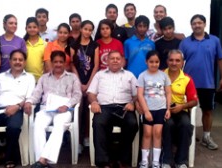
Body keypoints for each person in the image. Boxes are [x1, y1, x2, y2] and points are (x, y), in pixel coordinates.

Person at [25, 50, 82, 168]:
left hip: (64, 110)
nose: (58, 64)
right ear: (51, 62)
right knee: (38, 123)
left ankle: (41, 160)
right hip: (46, 109)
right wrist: (29, 101)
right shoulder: (44, 78)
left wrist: (67, 105)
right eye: (55, 62)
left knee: (59, 125)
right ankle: (43, 161)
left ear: (65, 63)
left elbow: (77, 95)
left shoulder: (72, 77)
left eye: (61, 62)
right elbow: (36, 94)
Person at [179, 14, 222, 150]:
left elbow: (221, 59)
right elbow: (179, 62)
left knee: (207, 111)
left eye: (199, 23)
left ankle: (206, 137)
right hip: (188, 83)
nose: (197, 25)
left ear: (204, 24)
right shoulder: (185, 42)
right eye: (194, 23)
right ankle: (188, 135)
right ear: (191, 26)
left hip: (207, 83)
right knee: (186, 111)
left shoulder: (214, 41)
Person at [87, 50, 139, 168]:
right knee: (98, 123)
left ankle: (122, 159)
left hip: (124, 107)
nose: (115, 61)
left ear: (122, 61)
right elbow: (91, 93)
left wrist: (132, 103)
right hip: (104, 107)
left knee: (132, 124)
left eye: (117, 58)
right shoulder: (100, 75)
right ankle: (104, 161)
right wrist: (94, 102)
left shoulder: (129, 75)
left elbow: (137, 94)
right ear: (107, 61)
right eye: (112, 58)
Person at [162, 50, 198, 168]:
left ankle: (181, 161)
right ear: (167, 61)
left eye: (177, 60)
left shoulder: (187, 79)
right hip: (163, 110)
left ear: (182, 63)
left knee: (185, 125)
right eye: (171, 60)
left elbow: (194, 101)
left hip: (181, 109)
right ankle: (166, 160)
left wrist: (181, 106)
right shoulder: (160, 75)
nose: (174, 63)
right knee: (168, 125)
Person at [137, 50, 171, 168]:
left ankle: (156, 161)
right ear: (146, 62)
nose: (154, 64)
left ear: (159, 62)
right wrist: (146, 111)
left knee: (157, 133)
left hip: (161, 109)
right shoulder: (142, 76)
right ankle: (144, 161)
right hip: (148, 110)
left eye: (156, 62)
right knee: (147, 133)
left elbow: (168, 93)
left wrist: (168, 109)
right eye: (151, 62)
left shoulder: (164, 76)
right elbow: (140, 94)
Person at [71, 20, 99, 151]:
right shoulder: (73, 45)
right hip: (77, 80)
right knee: (78, 109)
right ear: (81, 29)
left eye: (90, 30)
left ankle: (88, 136)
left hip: (91, 81)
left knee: (89, 108)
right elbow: (72, 64)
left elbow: (96, 66)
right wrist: (79, 83)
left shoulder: (95, 45)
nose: (87, 32)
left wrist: (88, 84)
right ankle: (78, 140)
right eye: (85, 29)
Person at [23, 17, 46, 82]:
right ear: (26, 28)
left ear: (38, 28)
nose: (32, 29)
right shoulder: (23, 44)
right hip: (25, 79)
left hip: (40, 79)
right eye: (29, 27)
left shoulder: (45, 44)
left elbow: (47, 64)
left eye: (34, 27)